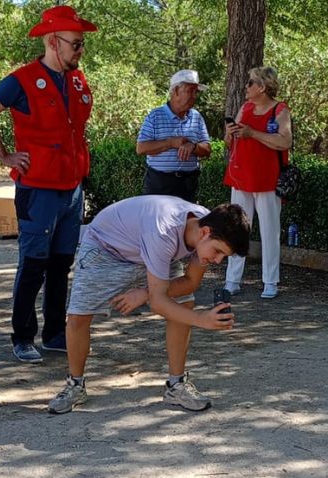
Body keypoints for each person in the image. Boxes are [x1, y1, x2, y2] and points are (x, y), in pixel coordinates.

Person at [0, 5, 98, 363]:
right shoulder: (22, 80)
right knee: (34, 263)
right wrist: (4, 156)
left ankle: (55, 333)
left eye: (82, 44)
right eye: (76, 44)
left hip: (71, 188)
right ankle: (22, 335)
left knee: (61, 263)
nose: (80, 50)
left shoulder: (77, 79)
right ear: (54, 42)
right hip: (37, 188)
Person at [45, 196, 250, 415]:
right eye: (218, 252)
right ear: (204, 233)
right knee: (79, 315)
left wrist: (144, 293)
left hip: (150, 252)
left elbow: (190, 282)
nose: (218, 261)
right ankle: (75, 385)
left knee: (184, 303)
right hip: (105, 249)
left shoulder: (205, 227)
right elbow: (159, 304)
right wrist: (203, 320)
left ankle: (176, 385)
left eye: (223, 256)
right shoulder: (164, 231)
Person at [223, 66, 292, 300]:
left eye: (251, 83)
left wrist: (253, 134)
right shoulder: (245, 107)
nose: (246, 86)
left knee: (269, 231)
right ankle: (232, 279)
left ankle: (270, 281)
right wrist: (230, 132)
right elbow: (229, 142)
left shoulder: (280, 110)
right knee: (237, 228)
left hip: (268, 180)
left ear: (262, 87)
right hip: (241, 178)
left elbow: (285, 141)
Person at [136, 69, 211, 202]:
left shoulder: (196, 117)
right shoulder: (155, 116)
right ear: (176, 91)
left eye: (196, 92)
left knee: (185, 222)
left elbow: (207, 149)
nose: (194, 96)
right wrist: (170, 143)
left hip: (188, 185)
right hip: (159, 184)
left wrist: (193, 147)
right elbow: (141, 148)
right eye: (190, 91)